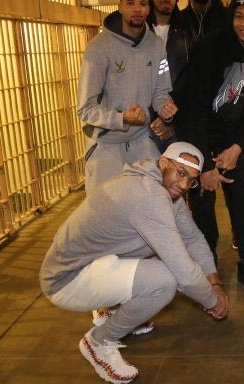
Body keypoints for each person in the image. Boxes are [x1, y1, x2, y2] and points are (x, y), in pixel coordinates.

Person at [39, 142, 230, 384]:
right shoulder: (149, 196)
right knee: (166, 280)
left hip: (91, 265)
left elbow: (193, 238)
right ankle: (99, 342)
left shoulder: (161, 187)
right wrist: (213, 301)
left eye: (191, 180)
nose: (184, 185)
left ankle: (114, 310)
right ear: (163, 162)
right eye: (181, 173)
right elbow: (185, 274)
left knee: (159, 254)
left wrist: (214, 283)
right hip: (66, 281)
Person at [186, 0, 244, 297]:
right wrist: (204, 166)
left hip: (232, 139)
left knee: (243, 203)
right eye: (239, 16)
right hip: (199, 135)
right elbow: (193, 107)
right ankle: (207, 266)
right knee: (202, 207)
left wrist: (237, 148)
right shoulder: (209, 46)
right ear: (230, 18)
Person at [77, 0, 177, 192]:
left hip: (142, 142)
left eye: (143, 4)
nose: (137, 9)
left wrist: (164, 108)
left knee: (156, 200)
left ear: (149, 9)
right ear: (120, 6)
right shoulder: (98, 48)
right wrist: (122, 118)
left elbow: (161, 91)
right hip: (106, 147)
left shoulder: (156, 45)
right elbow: (85, 109)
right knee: (104, 209)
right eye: (130, 3)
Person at [146, 0, 193, 147]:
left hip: (177, 118)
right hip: (143, 120)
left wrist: (169, 119)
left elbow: (190, 77)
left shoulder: (187, 32)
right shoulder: (140, 31)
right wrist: (154, 117)